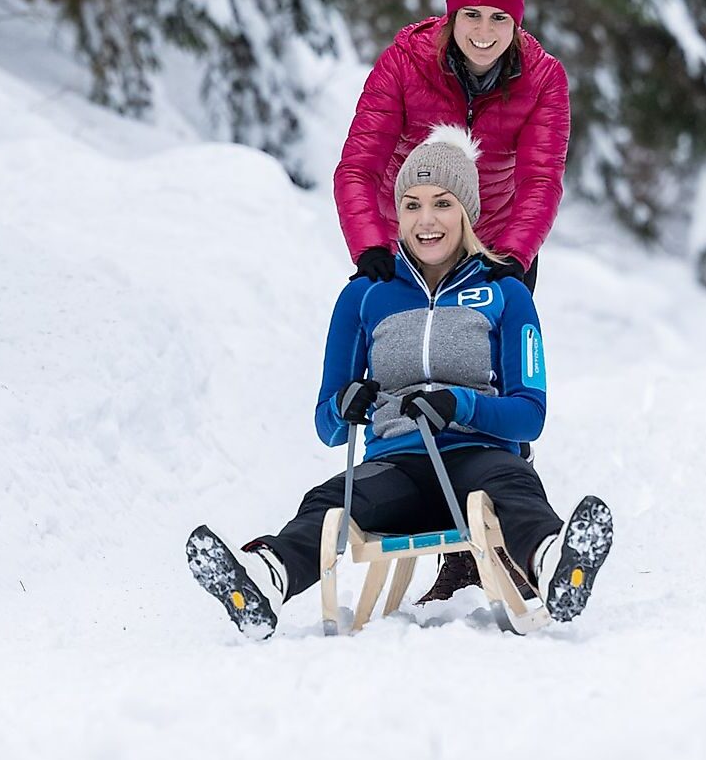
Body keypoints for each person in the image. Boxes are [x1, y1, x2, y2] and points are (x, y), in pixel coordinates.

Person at [186, 126, 612, 641]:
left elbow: (530, 414)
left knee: (515, 488)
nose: (426, 220)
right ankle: (264, 578)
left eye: (442, 203)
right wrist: (345, 403)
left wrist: (460, 404)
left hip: (480, 458)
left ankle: (553, 567)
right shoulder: (366, 296)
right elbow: (328, 424)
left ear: (467, 211)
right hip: (397, 468)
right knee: (330, 501)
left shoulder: (505, 291)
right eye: (411, 205)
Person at [334, 0, 570, 599]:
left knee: (493, 384)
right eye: (472, 15)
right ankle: (413, 499)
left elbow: (541, 180)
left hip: (496, 249)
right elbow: (359, 164)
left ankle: (503, 542)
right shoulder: (407, 61)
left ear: (517, 23)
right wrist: (372, 246)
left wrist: (513, 257)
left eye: (500, 18)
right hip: (411, 240)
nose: (484, 32)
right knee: (405, 367)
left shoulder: (544, 79)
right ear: (453, 13)